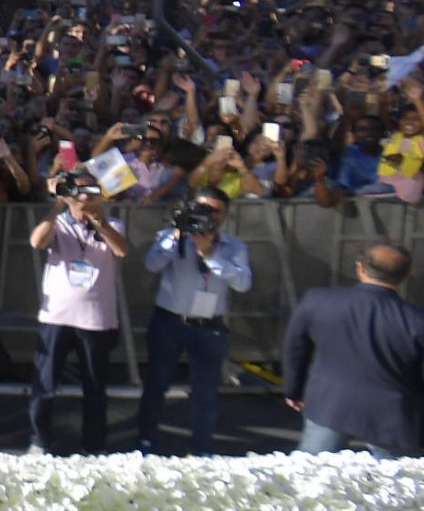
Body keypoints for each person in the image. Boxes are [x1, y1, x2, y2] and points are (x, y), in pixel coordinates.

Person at [135, 190, 255, 455]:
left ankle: (202, 449)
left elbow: (243, 284)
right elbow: (152, 264)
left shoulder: (234, 246)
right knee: (156, 384)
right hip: (170, 321)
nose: (209, 215)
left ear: (224, 215)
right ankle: (145, 441)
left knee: (206, 391)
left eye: (216, 211)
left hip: (209, 326)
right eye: (203, 208)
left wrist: (210, 254)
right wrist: (178, 233)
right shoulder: (171, 237)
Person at [284, 243, 423, 456]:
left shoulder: (318, 300)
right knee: (397, 484)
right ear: (407, 274)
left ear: (360, 268)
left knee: (312, 476)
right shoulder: (416, 319)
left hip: (329, 405)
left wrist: (294, 389)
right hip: (394, 415)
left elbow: (296, 348)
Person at [27, 179, 131, 455]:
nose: (85, 195)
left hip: (96, 320)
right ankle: (40, 441)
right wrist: (58, 204)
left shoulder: (112, 224)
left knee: (95, 388)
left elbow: (121, 249)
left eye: (91, 190)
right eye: (79, 190)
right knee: (45, 384)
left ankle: (93, 445)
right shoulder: (59, 223)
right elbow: (37, 241)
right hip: (56, 317)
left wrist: (99, 220)